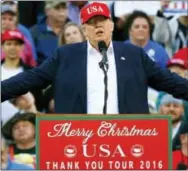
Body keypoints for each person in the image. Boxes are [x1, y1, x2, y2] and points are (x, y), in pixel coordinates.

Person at [1, 2, 188, 115]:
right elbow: (28, 79)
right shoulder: (65, 56)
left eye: (102, 21)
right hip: (79, 143)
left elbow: (170, 82)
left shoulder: (134, 55)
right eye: (91, 23)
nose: (98, 26)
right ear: (84, 30)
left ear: (112, 25)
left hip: (129, 142)